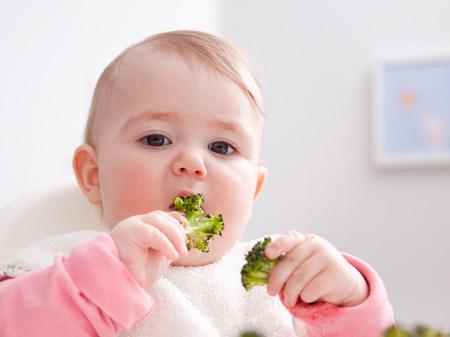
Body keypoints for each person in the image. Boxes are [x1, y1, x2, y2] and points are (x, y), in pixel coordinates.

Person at [0, 30, 394, 337]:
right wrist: (100, 280)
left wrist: (348, 301)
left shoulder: (276, 284)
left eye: (222, 147)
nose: (192, 163)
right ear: (94, 175)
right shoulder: (66, 268)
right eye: (156, 139)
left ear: (253, 191)